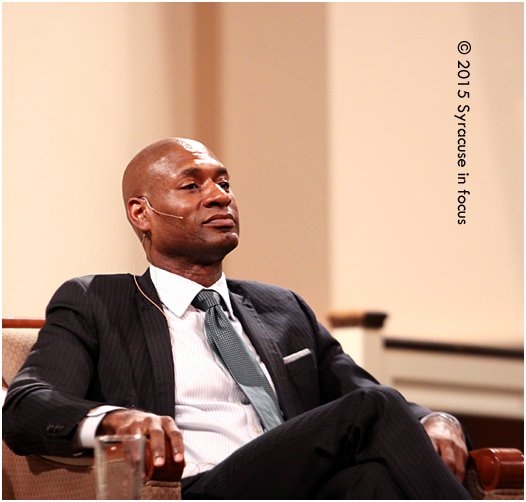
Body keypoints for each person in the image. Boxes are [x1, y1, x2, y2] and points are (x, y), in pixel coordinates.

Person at [3, 138, 471, 499]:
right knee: (377, 409)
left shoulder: (281, 307)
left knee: (375, 479)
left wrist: (437, 419)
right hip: (197, 489)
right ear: (140, 213)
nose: (219, 197)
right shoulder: (97, 300)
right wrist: (115, 420)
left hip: (296, 484)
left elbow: (359, 392)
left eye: (224, 183)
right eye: (193, 186)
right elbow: (26, 406)